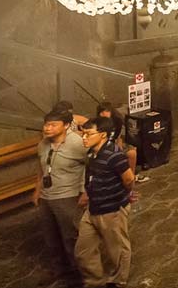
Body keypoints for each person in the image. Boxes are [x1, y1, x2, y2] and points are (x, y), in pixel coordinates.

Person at [76, 116, 135, 288]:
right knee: (83, 250)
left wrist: (123, 196)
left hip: (112, 210)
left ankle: (118, 281)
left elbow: (129, 179)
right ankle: (95, 281)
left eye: (88, 134)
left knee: (117, 249)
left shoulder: (114, 155)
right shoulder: (92, 153)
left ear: (102, 135)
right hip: (93, 208)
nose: (84, 138)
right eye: (83, 134)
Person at [37, 110, 87, 286]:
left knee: (71, 236)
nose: (47, 128)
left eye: (53, 125)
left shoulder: (78, 143)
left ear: (66, 126)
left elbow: (92, 165)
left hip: (68, 196)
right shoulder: (43, 144)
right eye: (46, 124)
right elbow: (42, 168)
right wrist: (37, 191)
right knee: (51, 237)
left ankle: (82, 274)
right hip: (47, 196)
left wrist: (84, 191)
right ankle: (60, 269)